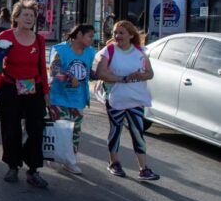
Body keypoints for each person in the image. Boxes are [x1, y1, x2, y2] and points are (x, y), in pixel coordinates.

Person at [0, 0, 53, 189]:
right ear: (16, 17)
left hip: (33, 88)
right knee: (11, 128)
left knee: (35, 130)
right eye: (25, 15)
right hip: (10, 87)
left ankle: (33, 170)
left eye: (32, 15)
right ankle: (12, 166)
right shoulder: (5, 36)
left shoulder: (39, 39)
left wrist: (46, 92)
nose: (29, 18)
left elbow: (42, 69)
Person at [94, 20, 160, 181]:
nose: (117, 36)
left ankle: (144, 168)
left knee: (138, 133)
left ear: (131, 35)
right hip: (116, 99)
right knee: (115, 131)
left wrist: (140, 75)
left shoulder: (140, 51)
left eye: (121, 33)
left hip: (136, 99)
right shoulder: (109, 50)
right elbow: (100, 73)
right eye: (115, 33)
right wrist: (121, 79)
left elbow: (150, 74)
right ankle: (114, 163)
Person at [48, 24, 96, 175]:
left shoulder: (90, 52)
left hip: (79, 98)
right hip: (59, 98)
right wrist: (69, 77)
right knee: (61, 130)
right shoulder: (61, 49)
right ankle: (58, 157)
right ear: (79, 35)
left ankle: (70, 161)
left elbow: (89, 71)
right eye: (90, 36)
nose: (92, 39)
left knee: (75, 132)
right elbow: (53, 70)